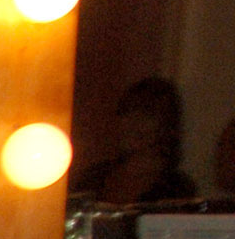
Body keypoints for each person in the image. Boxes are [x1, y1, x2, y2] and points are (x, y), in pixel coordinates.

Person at [70, 75, 200, 207]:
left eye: (146, 115)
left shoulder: (176, 188)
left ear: (166, 124)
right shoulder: (93, 178)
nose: (133, 122)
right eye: (128, 112)